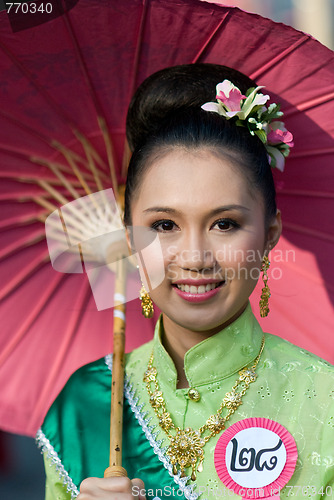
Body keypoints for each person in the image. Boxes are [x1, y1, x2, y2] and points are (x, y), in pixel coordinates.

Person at [37, 64, 334, 500]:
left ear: (270, 233)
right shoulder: (83, 406)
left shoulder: (323, 403)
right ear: (129, 239)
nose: (194, 258)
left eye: (226, 224)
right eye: (163, 225)